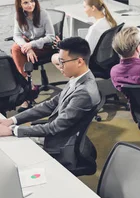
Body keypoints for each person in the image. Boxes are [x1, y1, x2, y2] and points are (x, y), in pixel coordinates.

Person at [0, 37, 101, 169]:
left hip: (59, 146)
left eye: (62, 62)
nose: (59, 66)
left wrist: (13, 130)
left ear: (79, 62)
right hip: (57, 136)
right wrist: (12, 120)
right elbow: (50, 104)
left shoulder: (84, 93)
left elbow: (54, 127)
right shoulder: (79, 77)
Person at [51, 0, 117, 70]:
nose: (84, 10)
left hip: (89, 62)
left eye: (85, 7)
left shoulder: (94, 29)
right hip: (105, 60)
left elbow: (85, 52)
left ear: (93, 8)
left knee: (54, 57)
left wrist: (65, 48)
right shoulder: (110, 22)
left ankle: (75, 76)